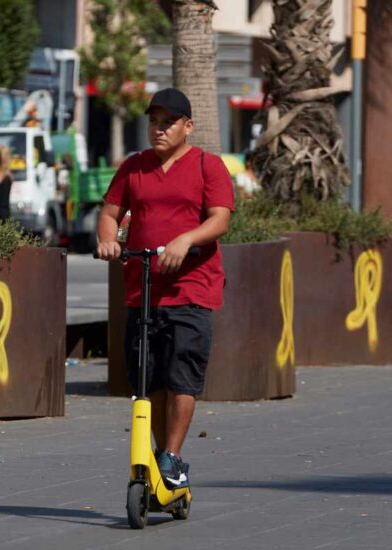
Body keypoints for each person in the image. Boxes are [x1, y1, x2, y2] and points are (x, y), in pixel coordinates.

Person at [96, 87, 234, 490]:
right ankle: (161, 456)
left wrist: (187, 240)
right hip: (143, 289)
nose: (158, 129)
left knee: (181, 375)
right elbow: (110, 213)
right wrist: (108, 239)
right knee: (147, 379)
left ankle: (172, 456)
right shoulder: (134, 167)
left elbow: (220, 219)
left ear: (188, 126)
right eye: (153, 121)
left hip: (192, 287)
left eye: (168, 122)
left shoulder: (208, 165)